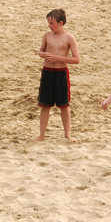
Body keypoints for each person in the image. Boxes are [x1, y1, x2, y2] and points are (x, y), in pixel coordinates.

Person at [35, 9, 80, 141]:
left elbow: (76, 59)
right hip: (47, 72)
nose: (50, 26)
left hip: (61, 73)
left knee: (64, 105)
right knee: (45, 105)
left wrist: (57, 58)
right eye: (49, 23)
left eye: (52, 23)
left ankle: (67, 135)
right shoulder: (47, 35)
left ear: (61, 23)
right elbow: (40, 51)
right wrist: (43, 55)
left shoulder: (69, 38)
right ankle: (41, 134)